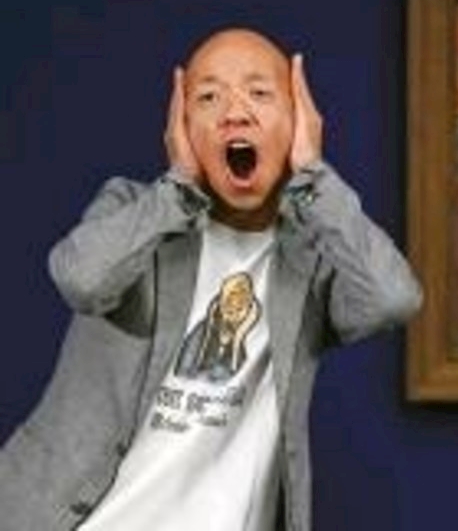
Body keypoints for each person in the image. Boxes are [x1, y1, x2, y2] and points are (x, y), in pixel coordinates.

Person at [0, 27, 423, 531]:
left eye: (259, 93)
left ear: (298, 122)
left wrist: (313, 174)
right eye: (208, 97)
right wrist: (178, 188)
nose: (235, 112)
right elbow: (82, 279)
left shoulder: (313, 258)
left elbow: (393, 298)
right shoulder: (134, 210)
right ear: (181, 127)